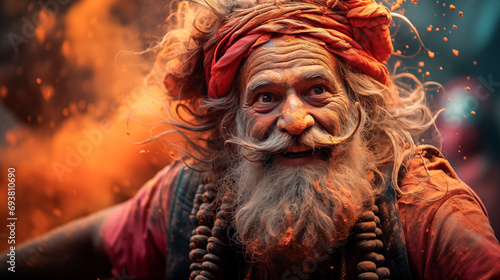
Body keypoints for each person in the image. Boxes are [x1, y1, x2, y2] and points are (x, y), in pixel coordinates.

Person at [2, 0, 500, 279]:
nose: (296, 120)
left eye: (317, 91)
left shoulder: (427, 210)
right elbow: (95, 239)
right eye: (265, 99)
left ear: (360, 108)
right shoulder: (191, 197)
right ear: (231, 128)